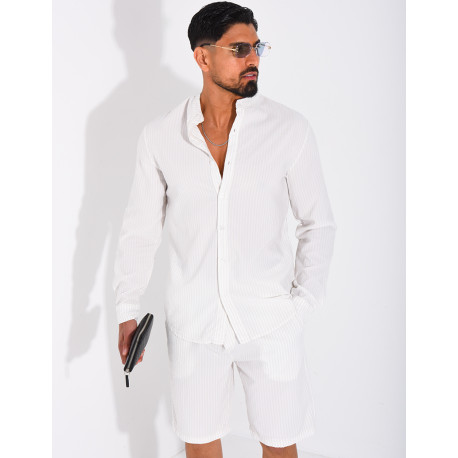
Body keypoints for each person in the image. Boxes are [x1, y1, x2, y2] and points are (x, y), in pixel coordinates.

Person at [113, 2, 337, 457]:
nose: (253, 59)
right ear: (203, 56)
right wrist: (126, 307)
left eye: (257, 47)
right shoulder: (160, 136)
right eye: (239, 49)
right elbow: (140, 229)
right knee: (199, 446)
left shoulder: (289, 129)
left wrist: (301, 305)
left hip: (271, 323)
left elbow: (318, 223)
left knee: (280, 445)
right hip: (193, 326)